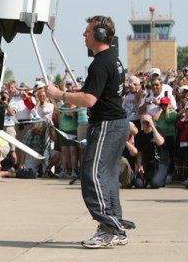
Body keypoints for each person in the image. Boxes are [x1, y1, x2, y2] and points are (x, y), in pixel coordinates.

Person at [46, 15, 129, 249]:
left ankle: (108, 228)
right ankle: (116, 226)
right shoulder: (113, 59)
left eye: (88, 31)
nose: (84, 35)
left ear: (100, 35)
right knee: (108, 177)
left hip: (107, 125)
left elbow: (89, 100)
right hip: (114, 123)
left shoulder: (101, 62)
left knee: (92, 175)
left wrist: (58, 95)